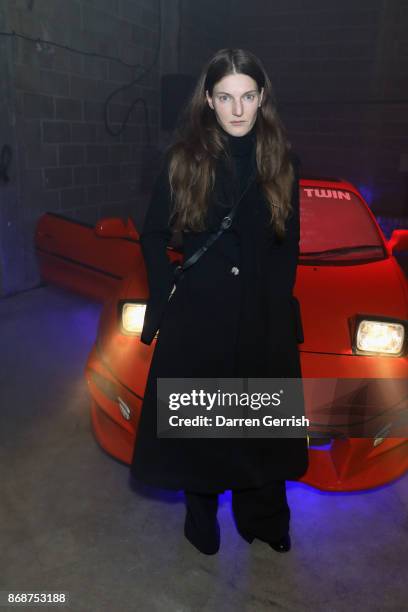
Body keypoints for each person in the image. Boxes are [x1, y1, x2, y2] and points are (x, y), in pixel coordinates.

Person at [130, 48, 309, 555]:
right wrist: (168, 294)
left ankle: (266, 521)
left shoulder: (282, 162)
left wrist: (275, 302)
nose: (237, 110)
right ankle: (201, 520)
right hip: (199, 319)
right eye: (226, 97)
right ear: (208, 100)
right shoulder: (181, 161)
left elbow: (288, 241)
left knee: (260, 431)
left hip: (260, 316)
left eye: (247, 96)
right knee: (203, 433)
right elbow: (152, 234)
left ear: (261, 98)